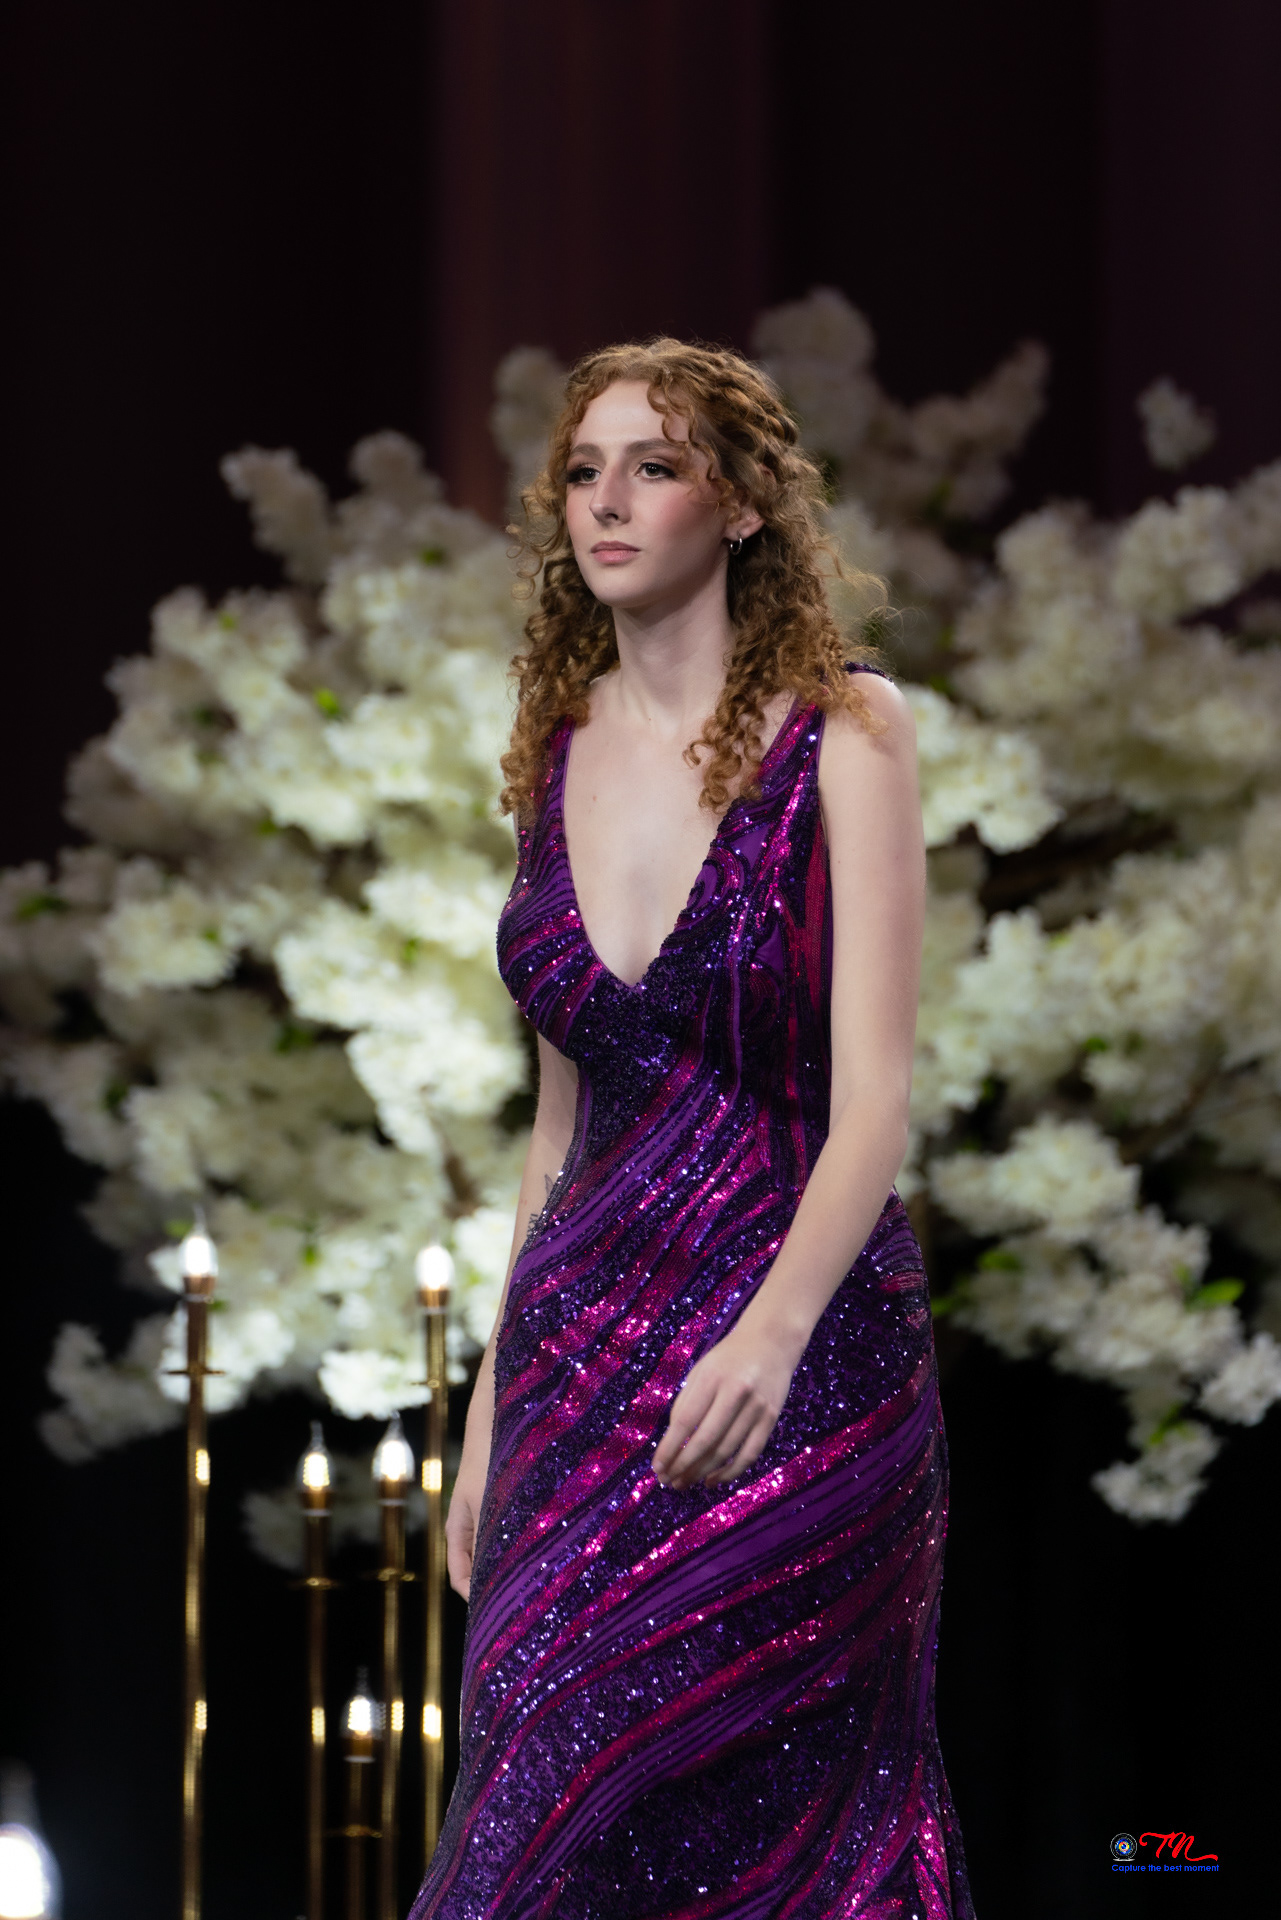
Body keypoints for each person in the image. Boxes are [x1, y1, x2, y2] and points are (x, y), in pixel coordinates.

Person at [410, 340, 973, 1919]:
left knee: (788, 1831)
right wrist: (486, 1411)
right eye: (583, 471)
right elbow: (556, 1129)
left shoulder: (845, 731)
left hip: (802, 1356)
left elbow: (874, 1097)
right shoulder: (552, 746)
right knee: (534, 1822)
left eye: (652, 467)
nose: (606, 501)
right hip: (578, 1368)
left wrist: (771, 1338)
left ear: (737, 507)